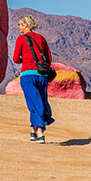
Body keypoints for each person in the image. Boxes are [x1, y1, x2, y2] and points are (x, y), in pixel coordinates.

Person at [12, 15, 55, 143]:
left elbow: (15, 59)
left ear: (26, 25)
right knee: (39, 102)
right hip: (42, 76)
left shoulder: (21, 39)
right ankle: (32, 131)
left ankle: (40, 132)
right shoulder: (41, 38)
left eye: (20, 24)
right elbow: (48, 59)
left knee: (34, 104)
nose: (18, 26)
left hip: (27, 76)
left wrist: (25, 60)